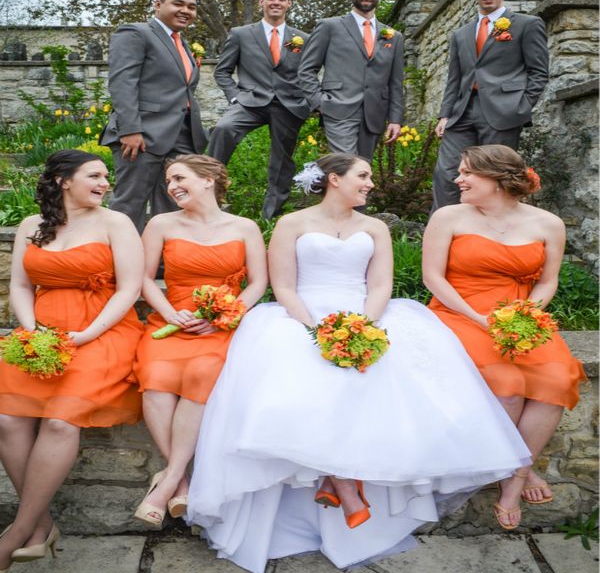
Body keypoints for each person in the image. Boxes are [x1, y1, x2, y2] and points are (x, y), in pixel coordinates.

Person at [186, 153, 531, 572]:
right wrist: (317, 332)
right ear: (335, 179)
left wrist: (363, 327)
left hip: (367, 315)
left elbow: (380, 283)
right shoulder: (292, 224)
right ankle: (344, 485)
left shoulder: (375, 227)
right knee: (308, 384)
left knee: (379, 385)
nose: (370, 183)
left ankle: (341, 482)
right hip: (301, 317)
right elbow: (284, 286)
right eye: (363, 176)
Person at [423, 144, 585, 530]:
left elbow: (547, 281)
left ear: (496, 181)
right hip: (459, 310)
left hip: (520, 316)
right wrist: (478, 318)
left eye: (467, 174)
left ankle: (514, 475)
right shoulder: (449, 217)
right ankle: (517, 472)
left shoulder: (548, 223)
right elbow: (434, 277)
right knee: (509, 387)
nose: (457, 179)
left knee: (558, 379)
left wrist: (527, 314)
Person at [0, 150, 143, 571]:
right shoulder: (31, 226)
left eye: (106, 176)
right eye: (95, 175)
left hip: (102, 331)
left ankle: (15, 533)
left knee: (61, 421)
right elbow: (22, 286)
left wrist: (87, 334)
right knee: (7, 419)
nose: (105, 183)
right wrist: (31, 330)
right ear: (64, 180)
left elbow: (129, 289)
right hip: (41, 334)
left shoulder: (116, 223)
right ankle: (40, 525)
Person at [132, 155, 268, 526]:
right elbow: (143, 278)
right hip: (170, 320)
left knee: (203, 372)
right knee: (155, 376)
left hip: (220, 326)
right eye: (169, 181)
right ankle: (183, 480)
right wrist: (170, 312)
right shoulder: (161, 223)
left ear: (208, 179)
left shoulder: (244, 227)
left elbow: (258, 282)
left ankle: (169, 481)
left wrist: (224, 316)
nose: (172, 186)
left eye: (180, 178)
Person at [431, 0, 549, 211]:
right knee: (447, 173)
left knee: (494, 176)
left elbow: (538, 72)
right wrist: (445, 115)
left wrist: (521, 106)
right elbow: (454, 79)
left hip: (503, 112)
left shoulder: (527, 24)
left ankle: (491, 236)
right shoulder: (460, 34)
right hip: (462, 112)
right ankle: (445, 233)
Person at [99, 0, 208, 233]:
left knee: (174, 202)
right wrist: (130, 129)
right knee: (130, 202)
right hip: (142, 134)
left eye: (192, 7)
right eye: (178, 3)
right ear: (158, 5)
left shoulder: (180, 43)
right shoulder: (135, 33)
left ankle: (161, 262)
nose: (186, 11)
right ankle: (120, 263)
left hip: (182, 136)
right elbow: (122, 83)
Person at [208, 0, 310, 219]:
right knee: (223, 129)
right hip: (249, 101)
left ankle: (271, 216)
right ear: (261, 2)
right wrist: (235, 96)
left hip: (288, 104)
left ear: (289, 3)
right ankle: (210, 194)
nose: (276, 2)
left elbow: (308, 74)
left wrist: (306, 101)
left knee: (282, 159)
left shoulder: (302, 38)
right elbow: (222, 71)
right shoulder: (241, 34)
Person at [297, 0, 403, 160]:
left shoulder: (394, 36)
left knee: (363, 168)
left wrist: (395, 119)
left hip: (374, 113)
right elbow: (306, 69)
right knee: (346, 165)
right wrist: (319, 103)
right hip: (338, 108)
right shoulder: (329, 26)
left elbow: (395, 82)